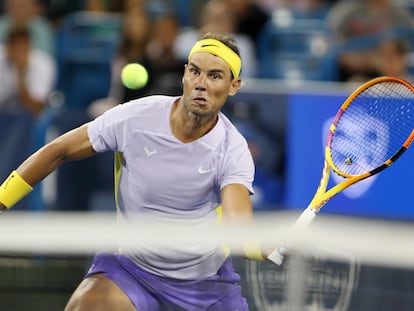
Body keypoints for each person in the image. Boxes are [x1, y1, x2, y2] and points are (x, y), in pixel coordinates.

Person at [0, 32, 266, 310]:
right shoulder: (136, 118)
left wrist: (261, 245)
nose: (201, 84)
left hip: (206, 286)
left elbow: (238, 225)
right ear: (184, 74)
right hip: (131, 272)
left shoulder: (232, 148)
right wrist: (2, 199)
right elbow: (58, 151)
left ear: (233, 86)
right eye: (195, 72)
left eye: (215, 76)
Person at [0, 23, 56, 117]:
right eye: (14, 45)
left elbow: (36, 108)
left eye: (22, 46)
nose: (18, 51)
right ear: (8, 46)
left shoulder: (43, 63)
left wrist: (20, 74)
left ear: (29, 46)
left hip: (31, 119)